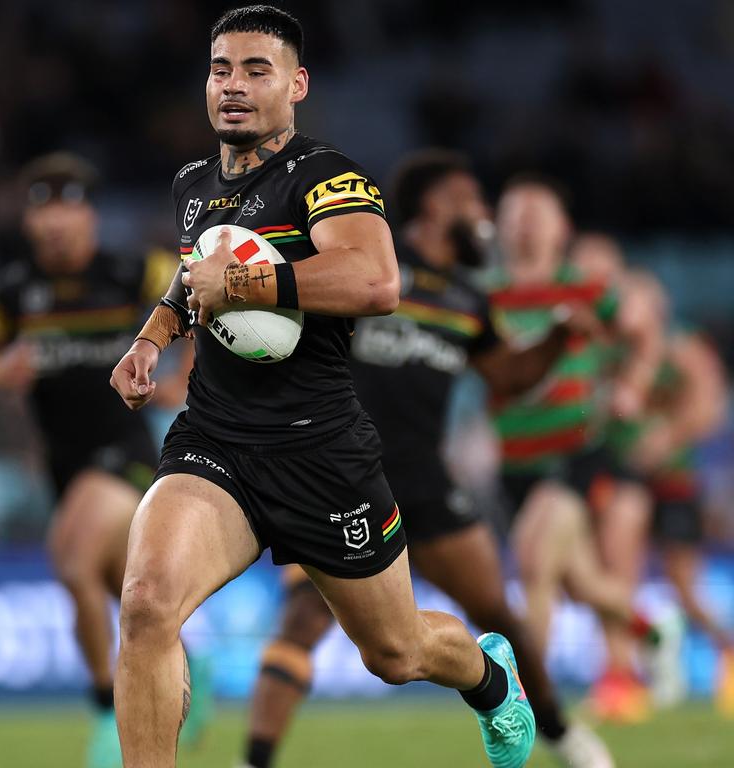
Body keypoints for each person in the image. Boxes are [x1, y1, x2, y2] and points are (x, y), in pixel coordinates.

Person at [110, 8, 535, 768]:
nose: (234, 86)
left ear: (297, 84)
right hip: (216, 443)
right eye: (221, 69)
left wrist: (241, 282)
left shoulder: (326, 179)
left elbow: (376, 281)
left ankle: (489, 676)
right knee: (145, 606)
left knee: (397, 654)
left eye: (257, 70)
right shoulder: (192, 184)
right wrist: (152, 339)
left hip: (321, 452)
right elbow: (193, 274)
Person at [238, 150, 614, 768]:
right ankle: (251, 762)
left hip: (425, 481)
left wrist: (558, 334)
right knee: (302, 621)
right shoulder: (367, 270)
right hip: (341, 479)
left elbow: (510, 375)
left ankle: (560, 736)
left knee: (499, 616)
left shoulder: (469, 299)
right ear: (438, 206)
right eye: (473, 202)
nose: (484, 216)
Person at [0, 152, 197, 768]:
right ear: (31, 222)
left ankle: (104, 715)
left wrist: (188, 377)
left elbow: (202, 294)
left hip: (125, 451)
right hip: (63, 464)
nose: (56, 223)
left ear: (89, 215)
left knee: (70, 557)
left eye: (68, 207)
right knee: (127, 593)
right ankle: (194, 670)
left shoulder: (129, 270)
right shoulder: (13, 292)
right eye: (44, 211)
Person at [489, 180, 664, 722]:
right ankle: (653, 627)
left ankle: (529, 702)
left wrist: (633, 384)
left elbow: (644, 331)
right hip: (513, 461)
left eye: (538, 211)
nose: (525, 222)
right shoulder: (488, 294)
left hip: (574, 452)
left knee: (534, 560)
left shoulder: (586, 287)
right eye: (515, 211)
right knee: (577, 582)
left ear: (561, 226)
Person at [573, 237, 734, 710]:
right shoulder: (606, 352)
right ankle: (621, 677)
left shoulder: (683, 348)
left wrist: (667, 438)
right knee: (615, 568)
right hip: (627, 476)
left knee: (683, 583)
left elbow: (708, 407)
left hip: (675, 478)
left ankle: (725, 649)